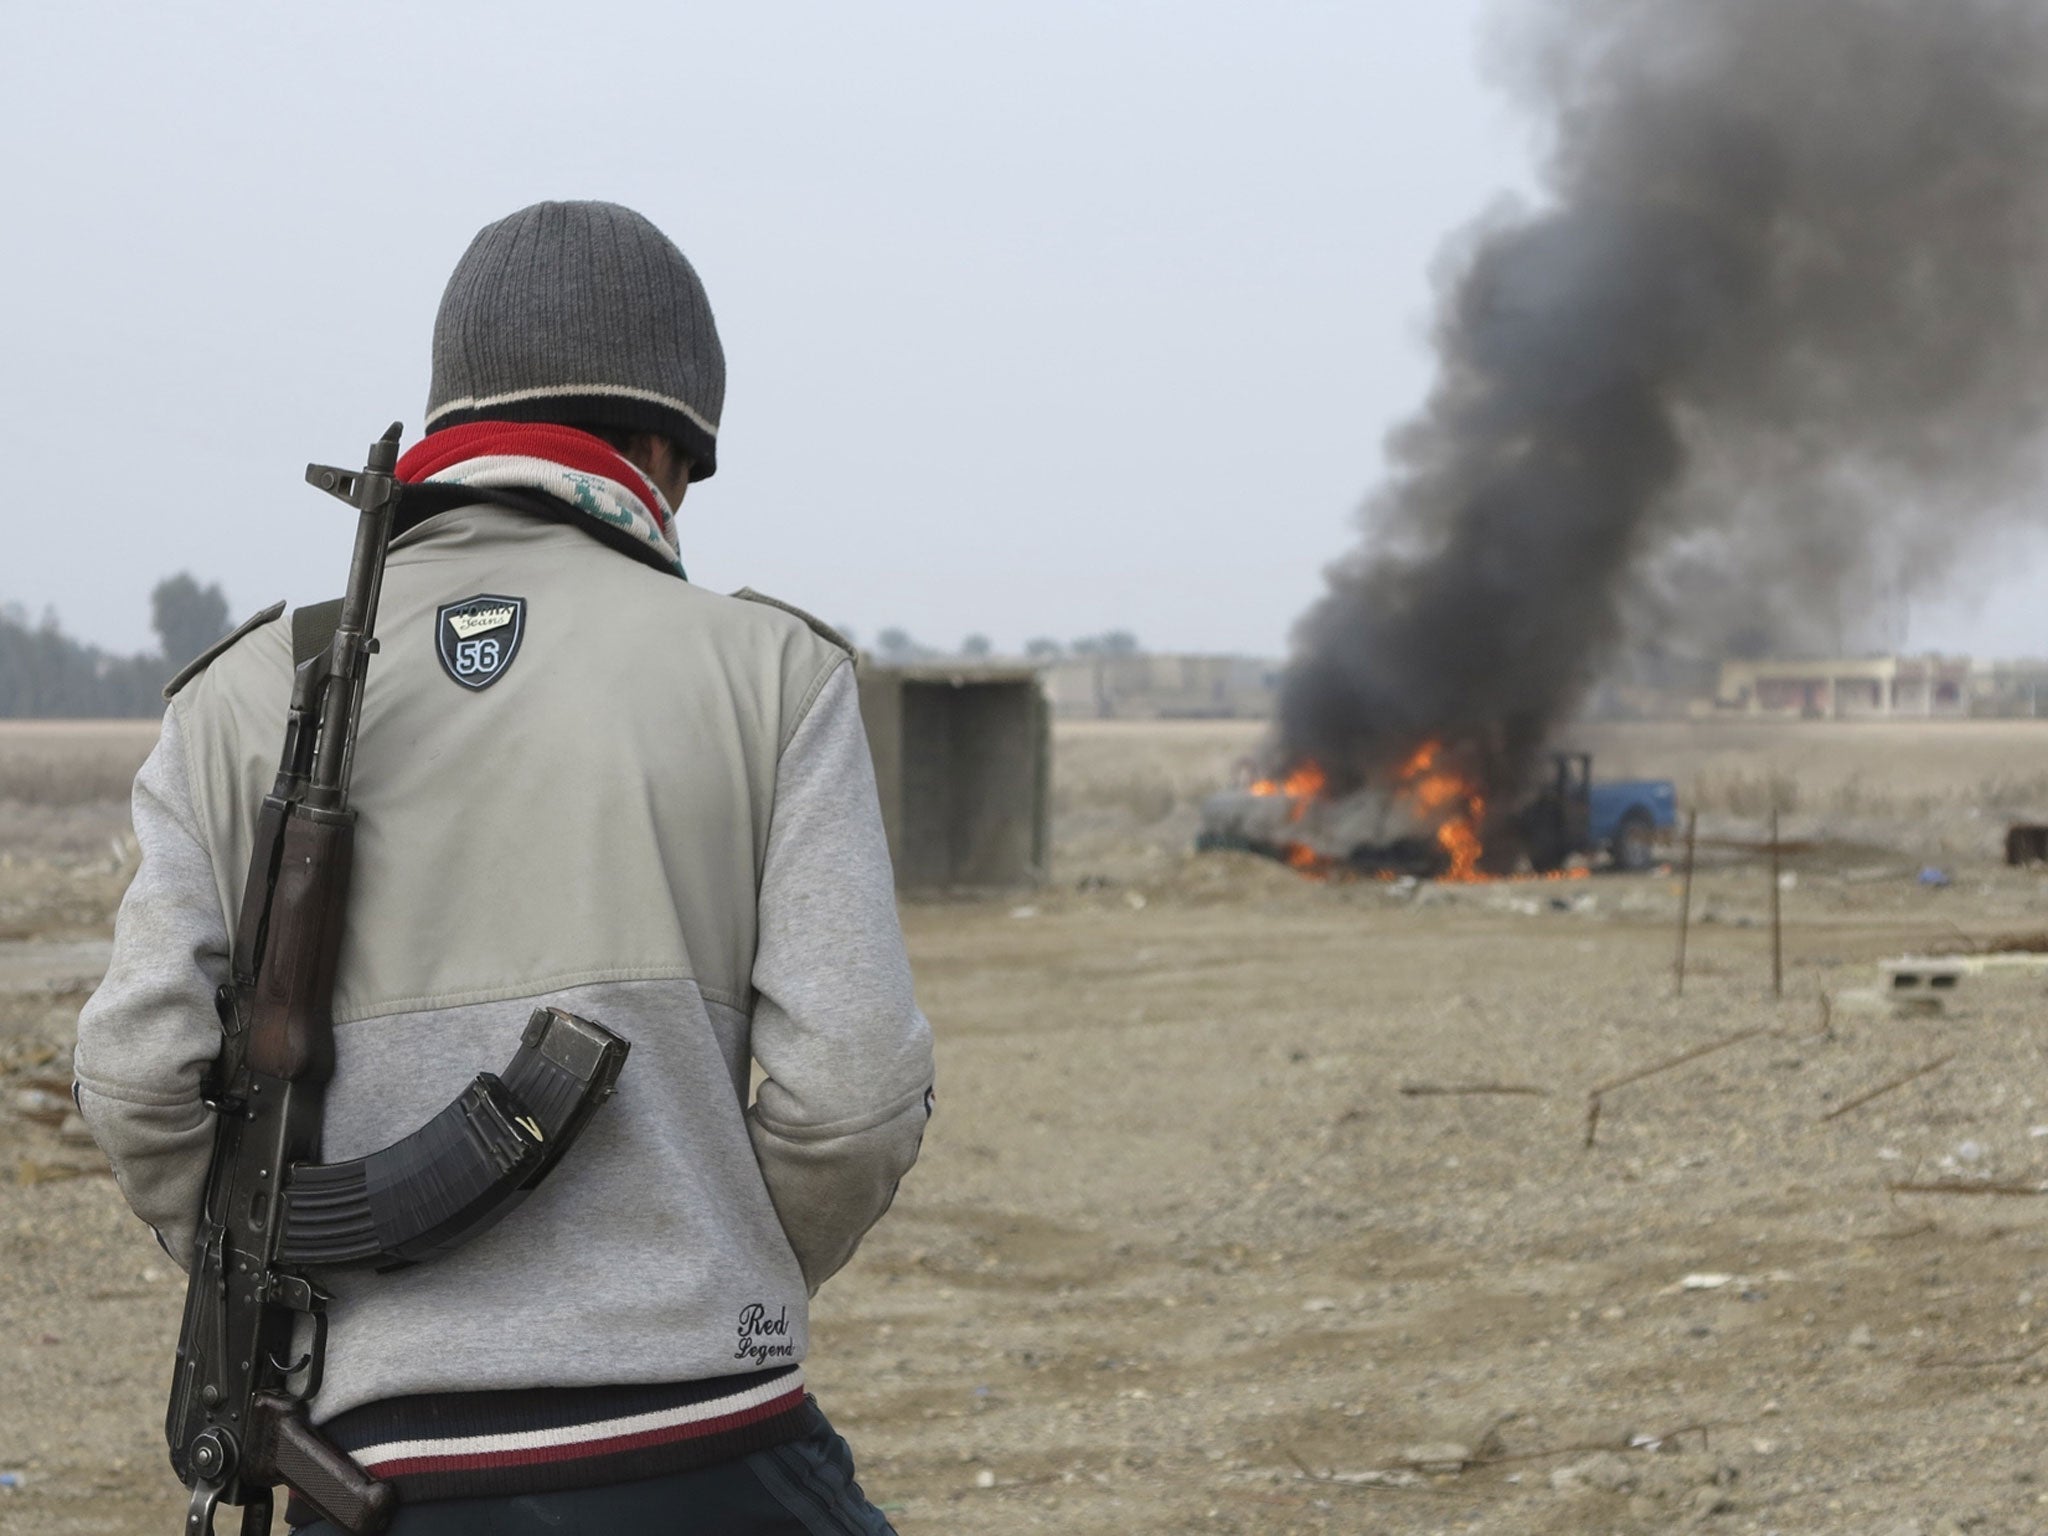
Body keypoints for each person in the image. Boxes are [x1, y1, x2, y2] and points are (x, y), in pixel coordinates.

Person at [74, 200, 935, 1534]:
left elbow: (137, 1075)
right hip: (711, 1438)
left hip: (379, 1463)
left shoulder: (240, 694)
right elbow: (858, 1097)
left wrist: (282, 1284)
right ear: (665, 448)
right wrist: (711, 1264)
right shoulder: (775, 674)